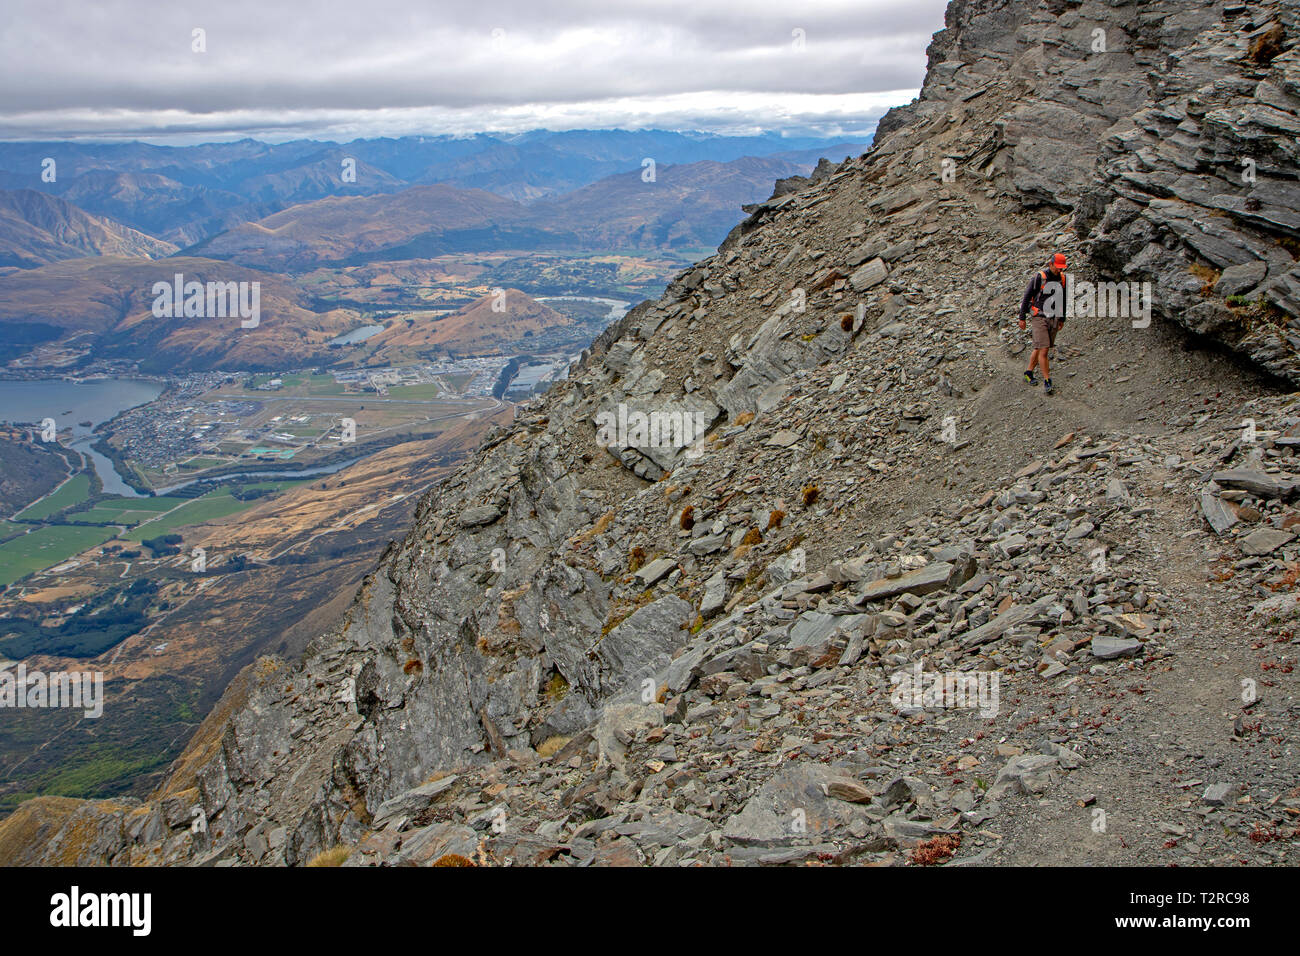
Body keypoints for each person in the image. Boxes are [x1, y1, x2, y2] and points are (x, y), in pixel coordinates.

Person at [1018, 252, 1067, 395]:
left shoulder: (1063, 279)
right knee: (1044, 348)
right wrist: (1022, 317)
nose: (1059, 270)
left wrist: (1062, 318)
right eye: (1057, 267)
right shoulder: (1039, 277)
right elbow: (1027, 296)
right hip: (1039, 316)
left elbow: (1064, 299)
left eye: (1061, 268)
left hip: (1054, 317)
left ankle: (1028, 372)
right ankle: (1047, 381)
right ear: (1050, 264)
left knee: (1039, 347)